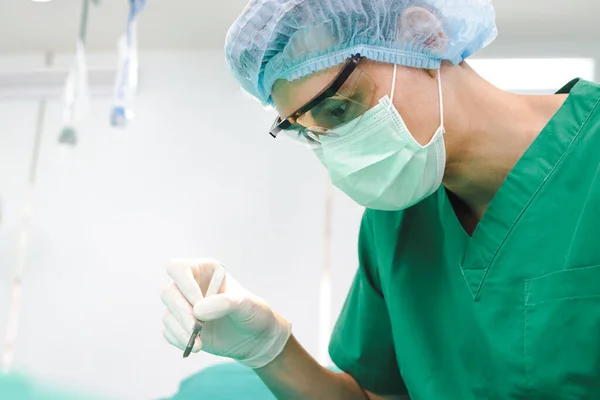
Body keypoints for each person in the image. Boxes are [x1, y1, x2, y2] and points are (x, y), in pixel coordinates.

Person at [161, 0, 600, 398]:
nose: (337, 149)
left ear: (424, 35)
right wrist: (268, 347)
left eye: (339, 109)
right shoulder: (396, 222)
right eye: (311, 132)